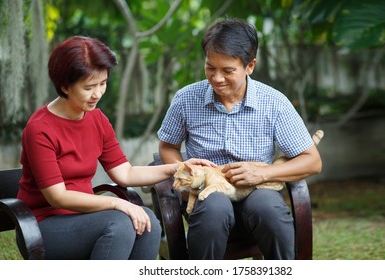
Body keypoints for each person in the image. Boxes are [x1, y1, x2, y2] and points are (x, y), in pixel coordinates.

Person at [17, 36, 214, 260]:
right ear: (64, 86)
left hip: (86, 218)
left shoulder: (97, 119)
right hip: (43, 227)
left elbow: (126, 173)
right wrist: (117, 203)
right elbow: (58, 197)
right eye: (89, 87)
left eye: (103, 83)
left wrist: (177, 167)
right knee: (119, 224)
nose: (98, 94)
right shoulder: (40, 129)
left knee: (148, 224)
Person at [157, 18, 322, 260]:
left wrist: (263, 174)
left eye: (228, 70)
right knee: (214, 207)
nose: (217, 78)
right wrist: (187, 174)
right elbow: (168, 146)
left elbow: (312, 162)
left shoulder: (273, 102)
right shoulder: (186, 99)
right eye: (210, 67)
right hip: (208, 195)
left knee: (268, 208)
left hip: (256, 191)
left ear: (250, 66)